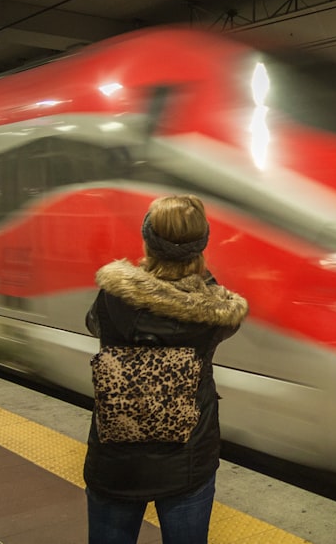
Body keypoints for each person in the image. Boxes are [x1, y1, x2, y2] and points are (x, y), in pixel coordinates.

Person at [83, 194, 248, 544]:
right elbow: (217, 311)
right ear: (201, 246)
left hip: (115, 461)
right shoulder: (214, 314)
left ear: (147, 240)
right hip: (186, 460)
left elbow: (92, 326)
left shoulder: (112, 296)